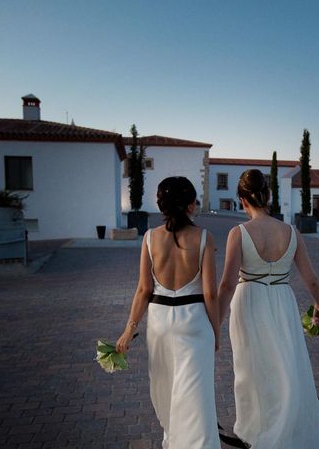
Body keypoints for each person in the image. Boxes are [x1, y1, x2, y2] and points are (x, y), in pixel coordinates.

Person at [218, 169, 319, 448]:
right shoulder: (291, 232)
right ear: (268, 196)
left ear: (242, 199)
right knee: (286, 365)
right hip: (282, 301)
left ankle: (257, 431)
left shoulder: (239, 233)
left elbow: (226, 285)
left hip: (249, 303)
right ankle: (287, 426)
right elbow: (312, 278)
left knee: (252, 370)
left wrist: (216, 323)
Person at [116, 176, 221, 449]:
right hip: (195, 322)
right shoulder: (204, 238)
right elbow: (210, 293)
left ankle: (173, 440)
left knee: (165, 387)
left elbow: (143, 290)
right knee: (195, 395)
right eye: (195, 200)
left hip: (159, 322)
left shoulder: (150, 238)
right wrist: (216, 332)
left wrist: (129, 329)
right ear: (188, 205)